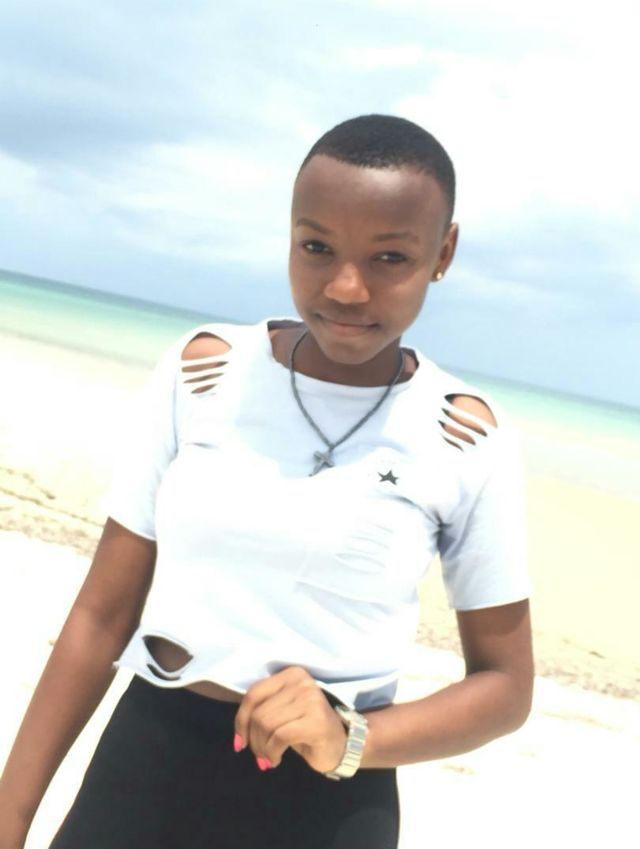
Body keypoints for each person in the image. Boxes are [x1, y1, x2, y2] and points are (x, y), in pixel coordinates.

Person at [0, 114, 533, 849]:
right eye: (317, 247)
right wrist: (11, 813)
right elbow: (100, 616)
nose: (346, 288)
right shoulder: (204, 373)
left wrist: (350, 737)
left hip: (327, 808)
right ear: (289, 232)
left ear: (442, 253)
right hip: (144, 773)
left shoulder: (463, 435)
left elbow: (505, 686)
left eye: (390, 257)